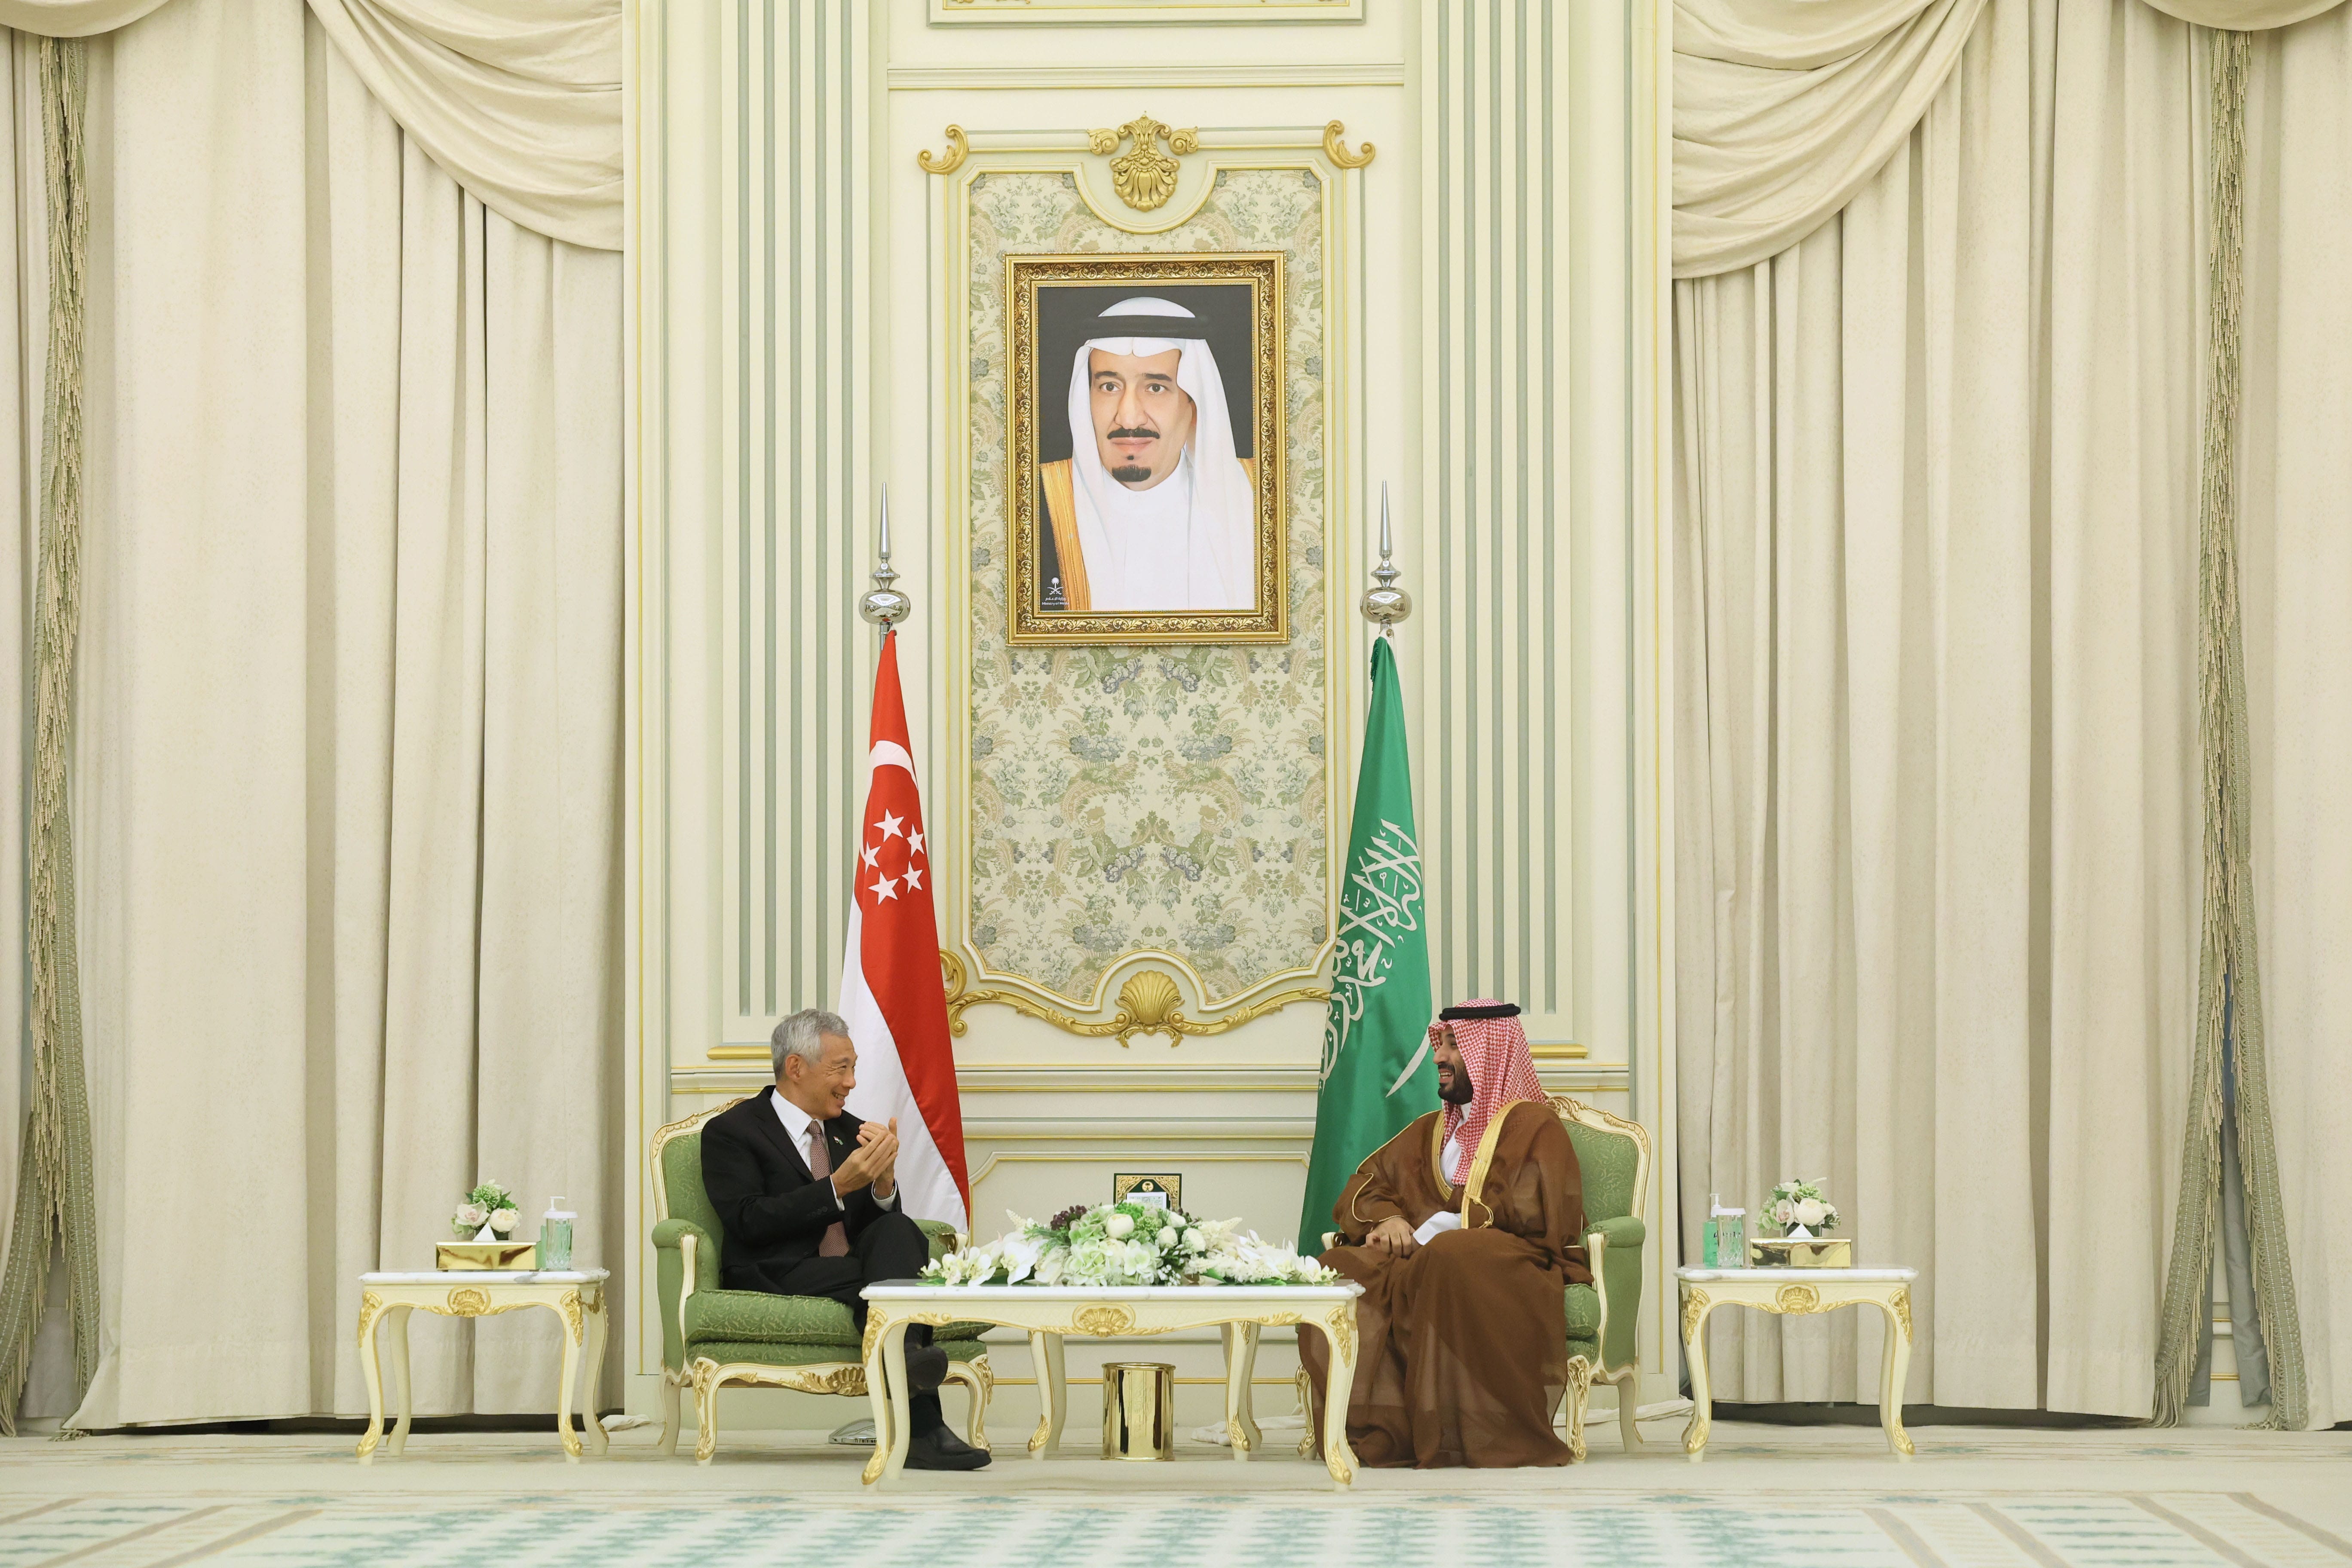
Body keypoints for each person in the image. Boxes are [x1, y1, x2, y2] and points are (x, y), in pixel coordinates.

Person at [1300, 1000, 1589, 1468]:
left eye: (1454, 1045)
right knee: (1338, 1267)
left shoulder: (1535, 1125)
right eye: (1441, 1043)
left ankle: (1469, 1431)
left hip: (1512, 1261)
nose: (1438, 1057)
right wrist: (1388, 1221)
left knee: (1450, 1253)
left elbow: (1534, 1211)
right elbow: (1369, 1184)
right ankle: (1388, 1431)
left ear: (1488, 1053)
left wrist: (1432, 1231)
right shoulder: (1433, 1131)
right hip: (1433, 1258)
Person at [700, 1008, 989, 1471]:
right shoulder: (732, 1132)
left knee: (899, 1230)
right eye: (842, 1069)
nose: (851, 1083)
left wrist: (883, 1185)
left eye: (853, 1068)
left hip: (845, 1269)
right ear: (796, 1067)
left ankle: (909, 1366)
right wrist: (836, 1187)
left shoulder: (849, 1132)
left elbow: (877, 1232)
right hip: (775, 1269)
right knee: (899, 1286)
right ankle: (923, 1424)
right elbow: (748, 1220)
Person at [1037, 294, 1256, 612]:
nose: (1129, 419)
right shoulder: (1033, 503)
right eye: (1109, 387)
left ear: (1194, 404)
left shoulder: (1262, 499)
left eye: (1155, 388)